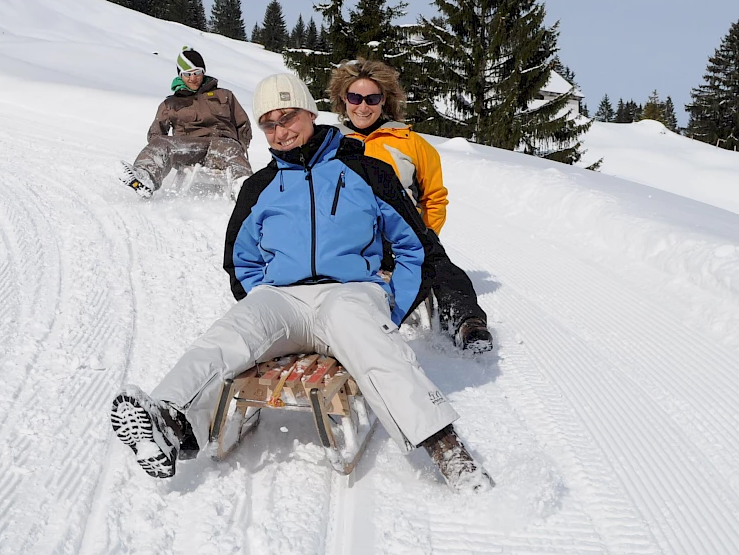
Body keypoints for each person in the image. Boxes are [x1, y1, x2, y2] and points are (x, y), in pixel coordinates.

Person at [110, 72, 490, 490]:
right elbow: (239, 259)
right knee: (227, 335)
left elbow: (414, 245)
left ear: (310, 113)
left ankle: (450, 454)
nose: (280, 131)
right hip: (283, 300)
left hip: (348, 293)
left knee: (378, 349)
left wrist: (392, 307)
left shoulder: (366, 171)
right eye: (268, 124)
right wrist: (262, 300)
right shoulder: (259, 187)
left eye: (287, 117)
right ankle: (169, 421)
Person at [328, 59, 492, 352]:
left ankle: (466, 322)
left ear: (385, 101)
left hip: (402, 236)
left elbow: (434, 197)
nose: (362, 107)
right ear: (343, 100)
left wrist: (422, 233)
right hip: (351, 240)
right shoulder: (331, 144)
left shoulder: (411, 143)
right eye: (354, 97)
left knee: (442, 269)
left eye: (372, 98)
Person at [123, 48, 252, 196]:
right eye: (187, 74)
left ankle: (244, 189)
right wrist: (169, 150)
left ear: (203, 72)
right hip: (189, 147)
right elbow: (155, 134)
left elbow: (243, 125)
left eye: (196, 72)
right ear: (180, 76)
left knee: (231, 150)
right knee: (162, 143)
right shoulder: (171, 103)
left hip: (223, 145)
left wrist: (240, 146)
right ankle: (145, 177)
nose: (192, 78)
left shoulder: (224, 95)